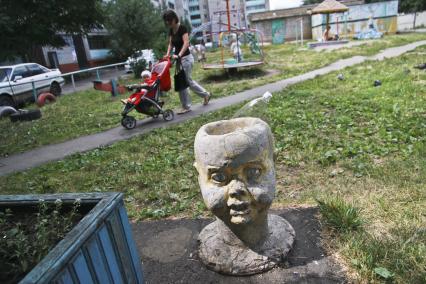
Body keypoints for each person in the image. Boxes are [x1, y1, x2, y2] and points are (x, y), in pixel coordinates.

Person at [163, 10, 211, 114]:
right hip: (178, 60)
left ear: (174, 19)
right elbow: (171, 44)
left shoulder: (182, 28)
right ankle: (190, 103)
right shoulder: (171, 30)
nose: (168, 23)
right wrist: (167, 54)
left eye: (169, 21)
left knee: (187, 81)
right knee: (181, 82)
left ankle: (193, 102)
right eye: (166, 21)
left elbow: (186, 43)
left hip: (186, 58)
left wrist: (179, 54)